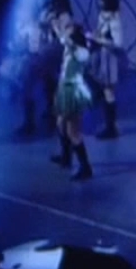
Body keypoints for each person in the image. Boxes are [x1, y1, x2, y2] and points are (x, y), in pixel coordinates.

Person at [50, 25, 95, 181]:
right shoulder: (69, 50)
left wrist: (62, 34)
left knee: (73, 131)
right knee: (60, 123)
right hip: (64, 88)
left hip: (73, 92)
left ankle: (85, 167)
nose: (65, 34)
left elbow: (67, 42)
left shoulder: (82, 52)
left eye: (69, 32)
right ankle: (66, 156)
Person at [88, 0, 126, 139]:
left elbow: (118, 43)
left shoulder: (115, 21)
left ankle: (111, 127)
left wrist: (99, 40)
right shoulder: (102, 16)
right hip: (101, 56)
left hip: (110, 58)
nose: (99, 2)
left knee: (108, 91)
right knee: (99, 84)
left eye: (102, 0)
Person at [37, 0, 75, 129]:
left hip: (58, 49)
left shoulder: (64, 14)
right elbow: (41, 23)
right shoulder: (48, 10)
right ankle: (51, 108)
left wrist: (54, 25)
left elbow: (64, 36)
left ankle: (60, 111)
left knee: (57, 80)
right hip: (47, 47)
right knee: (48, 81)